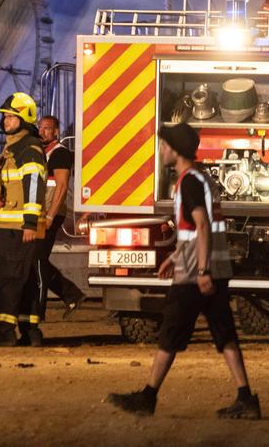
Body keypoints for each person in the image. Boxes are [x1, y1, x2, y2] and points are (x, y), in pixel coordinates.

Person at [106, 122, 260, 419]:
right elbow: (196, 229)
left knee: (170, 332)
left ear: (176, 151)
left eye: (165, 146)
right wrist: (175, 255)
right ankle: (245, 398)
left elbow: (201, 224)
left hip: (195, 273)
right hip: (211, 267)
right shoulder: (201, 178)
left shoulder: (188, 182)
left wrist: (199, 269)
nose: (162, 150)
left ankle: (148, 397)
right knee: (224, 334)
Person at [0, 92, 48, 346]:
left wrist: (30, 223)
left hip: (17, 227)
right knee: (25, 278)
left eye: (12, 117)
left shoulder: (26, 148)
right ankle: (31, 332)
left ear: (25, 119)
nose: (6, 121)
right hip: (15, 226)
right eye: (5, 117)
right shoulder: (15, 147)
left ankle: (5, 332)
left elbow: (34, 186)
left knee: (8, 278)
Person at [35, 115, 87, 321]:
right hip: (40, 214)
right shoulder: (41, 153)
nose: (42, 131)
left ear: (56, 132)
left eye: (47, 128)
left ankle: (37, 312)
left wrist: (50, 216)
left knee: (37, 260)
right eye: (40, 127)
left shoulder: (60, 154)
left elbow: (62, 186)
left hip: (50, 214)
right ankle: (72, 295)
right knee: (36, 260)